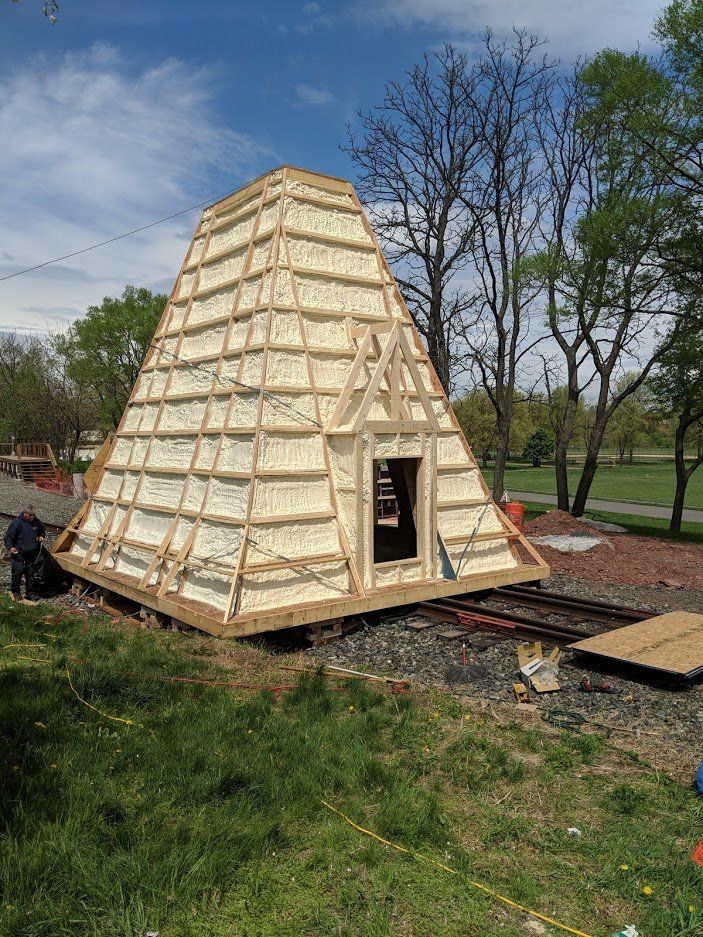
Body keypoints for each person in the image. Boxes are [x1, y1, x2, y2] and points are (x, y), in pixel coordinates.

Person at [4, 505, 46, 600]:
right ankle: (15, 592)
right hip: (19, 553)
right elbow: (8, 537)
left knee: (30, 574)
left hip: (31, 553)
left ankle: (30, 593)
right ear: (25, 514)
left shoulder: (36, 522)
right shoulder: (17, 522)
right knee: (17, 572)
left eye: (33, 516)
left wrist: (41, 535)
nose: (32, 518)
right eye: (30, 516)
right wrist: (10, 547)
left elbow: (42, 531)